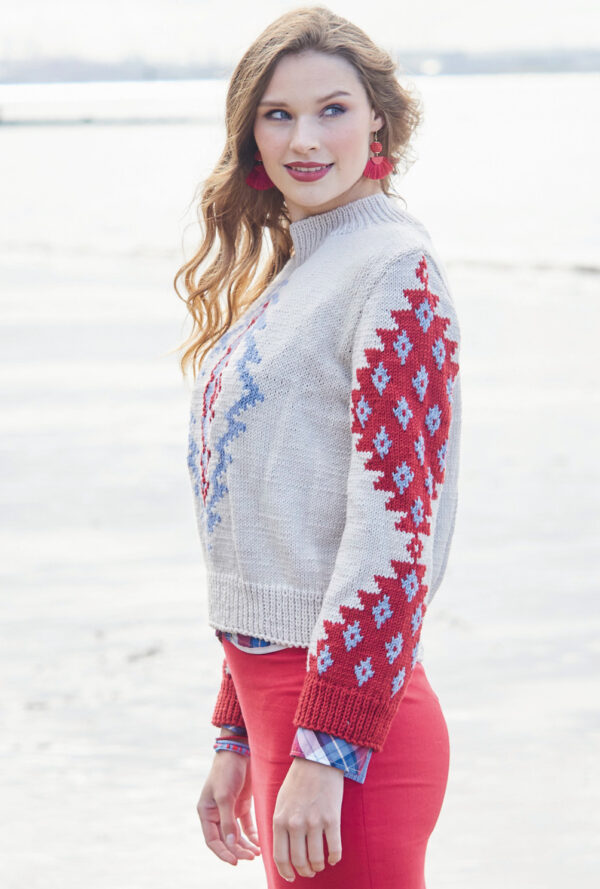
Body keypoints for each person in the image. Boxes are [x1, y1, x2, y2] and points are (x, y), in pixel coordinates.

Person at [175, 6, 462, 887]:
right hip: (286, 718)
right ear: (251, 135)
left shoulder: (394, 271)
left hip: (347, 738)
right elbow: (279, 530)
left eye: (331, 109)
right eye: (278, 114)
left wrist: (327, 747)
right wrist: (235, 730)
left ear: (379, 120)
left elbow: (394, 533)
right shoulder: (300, 272)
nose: (304, 138)